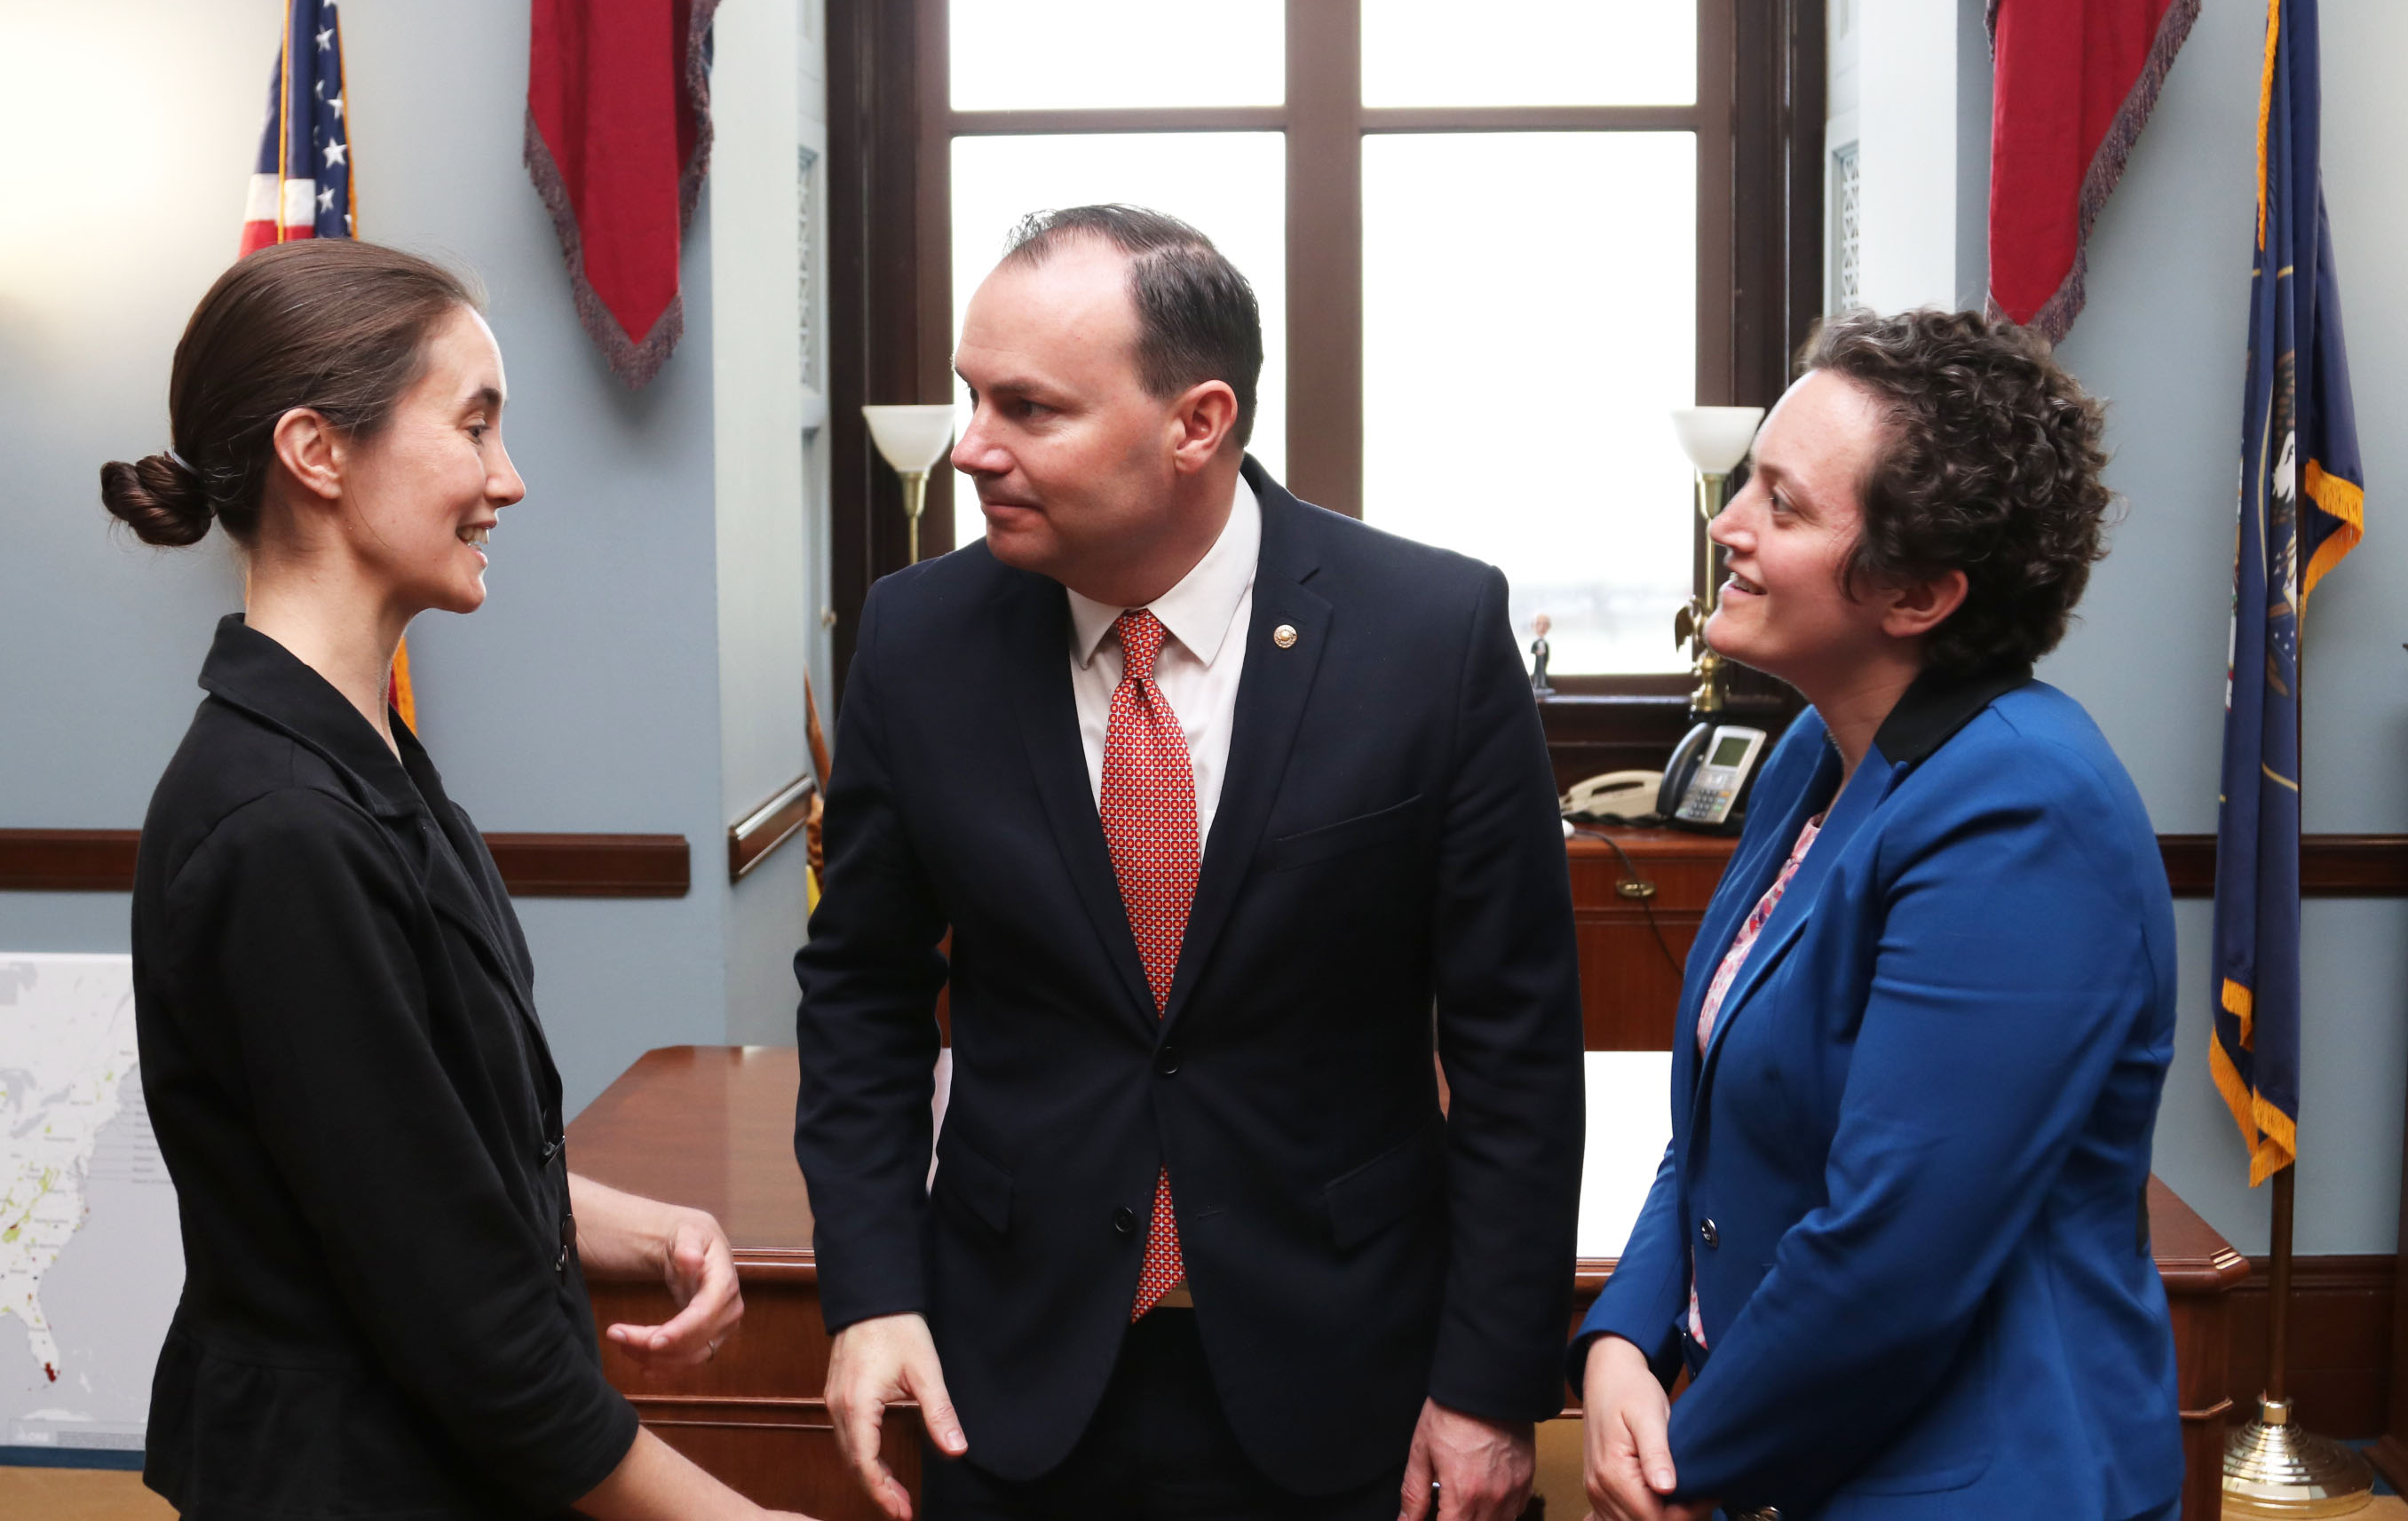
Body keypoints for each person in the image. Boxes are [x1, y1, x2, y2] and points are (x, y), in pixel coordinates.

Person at [793, 205, 1586, 1521]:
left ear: (1198, 422)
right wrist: (873, 1289)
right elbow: (862, 992)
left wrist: (1492, 1383)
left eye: (1030, 409)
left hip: (1347, 1383)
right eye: (971, 395)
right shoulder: (919, 635)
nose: (975, 445)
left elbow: (1517, 1042)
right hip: (1010, 1376)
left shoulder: (1430, 636)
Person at [105, 241, 809, 1521]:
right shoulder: (280, 829)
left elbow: (426, 1162)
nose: (511, 479)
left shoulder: (358, 759)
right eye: (475, 425)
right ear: (317, 452)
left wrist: (633, 1226)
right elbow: (465, 1323)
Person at [1575, 310, 2182, 1521]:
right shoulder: (1818, 748)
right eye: (1750, 476)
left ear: (1916, 591)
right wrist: (1624, 1339)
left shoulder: (2023, 808)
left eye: (1785, 507)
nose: (1729, 522)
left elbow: (1891, 1254)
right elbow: (1715, 1111)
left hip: (1979, 1482)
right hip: (1813, 1455)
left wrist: (1689, 1461)